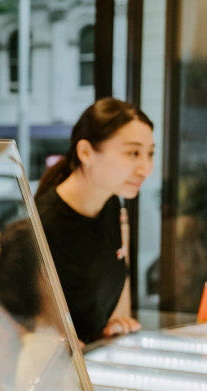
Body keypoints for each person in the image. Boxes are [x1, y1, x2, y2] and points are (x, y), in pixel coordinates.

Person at [35, 98, 155, 343]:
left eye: (150, 153)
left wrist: (112, 321)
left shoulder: (111, 204)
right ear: (86, 152)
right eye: (133, 153)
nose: (145, 168)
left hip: (89, 363)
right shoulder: (45, 224)